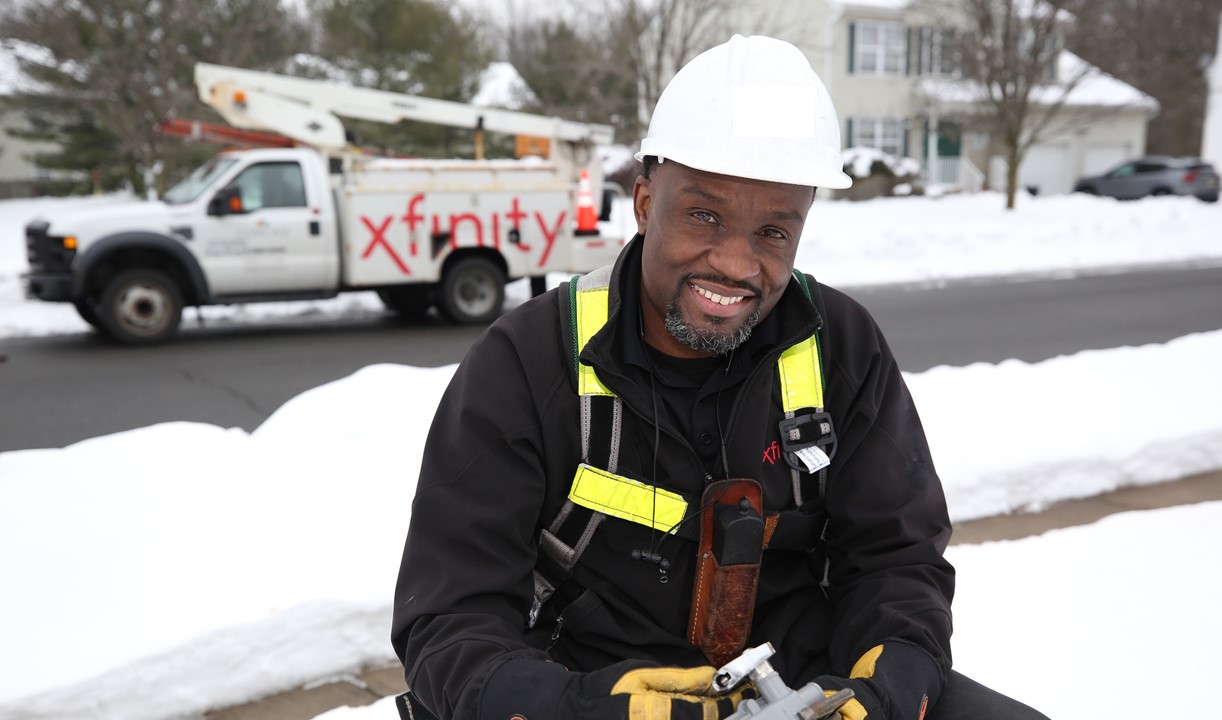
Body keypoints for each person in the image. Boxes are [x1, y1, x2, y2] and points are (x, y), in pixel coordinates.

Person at [393, 34, 1049, 720]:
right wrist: (580, 708)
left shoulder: (841, 347)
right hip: (590, 691)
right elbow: (448, 621)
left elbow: (895, 561)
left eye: (772, 232)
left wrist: (884, 684)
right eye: (704, 215)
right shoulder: (527, 363)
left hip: (804, 690)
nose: (736, 265)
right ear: (645, 204)